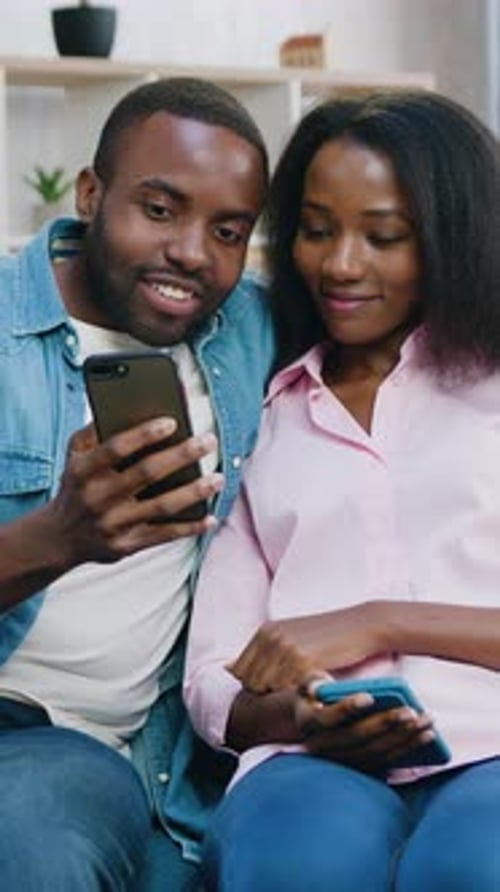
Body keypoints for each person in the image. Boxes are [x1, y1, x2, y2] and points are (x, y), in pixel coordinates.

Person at [184, 90, 500, 891]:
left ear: (450, 238)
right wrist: (292, 717)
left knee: (475, 865)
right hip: (312, 762)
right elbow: (214, 677)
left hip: (493, 743)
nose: (340, 264)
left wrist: (378, 622)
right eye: (317, 230)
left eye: (383, 236)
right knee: (294, 864)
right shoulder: (263, 412)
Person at [0, 76, 274, 891]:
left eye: (228, 230)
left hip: (93, 749)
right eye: (159, 210)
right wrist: (60, 538)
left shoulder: (252, 332)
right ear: (90, 193)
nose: (192, 251)